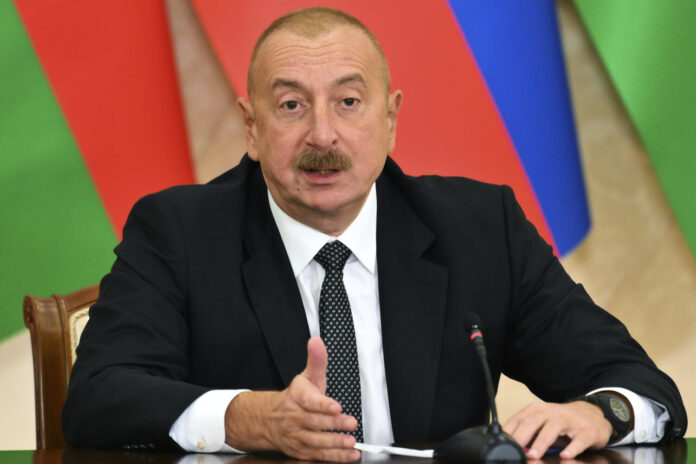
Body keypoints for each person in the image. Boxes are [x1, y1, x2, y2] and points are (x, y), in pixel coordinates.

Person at [62, 7, 687, 462]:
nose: (323, 135)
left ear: (390, 119)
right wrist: (249, 417)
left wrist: (598, 413)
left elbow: (643, 389)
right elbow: (97, 399)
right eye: (291, 105)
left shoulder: (480, 227)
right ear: (251, 129)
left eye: (349, 102)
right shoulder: (178, 232)